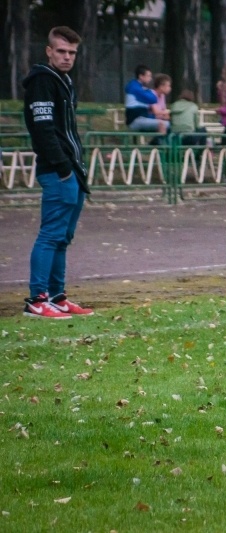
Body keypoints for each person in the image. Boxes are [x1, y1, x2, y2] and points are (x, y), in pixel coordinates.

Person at [21, 26, 93, 318]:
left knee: (63, 237)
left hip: (72, 170)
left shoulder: (63, 80)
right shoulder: (42, 82)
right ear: (49, 51)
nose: (67, 57)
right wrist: (63, 168)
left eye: (72, 52)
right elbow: (43, 129)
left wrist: (76, 168)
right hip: (58, 171)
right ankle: (37, 299)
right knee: (51, 235)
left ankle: (57, 296)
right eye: (61, 51)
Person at [124, 64, 169, 135]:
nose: (150, 78)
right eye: (148, 76)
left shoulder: (140, 87)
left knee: (165, 124)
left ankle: (156, 144)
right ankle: (159, 144)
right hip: (135, 121)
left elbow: (151, 97)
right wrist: (147, 91)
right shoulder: (134, 87)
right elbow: (153, 98)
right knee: (165, 124)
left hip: (142, 118)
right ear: (141, 76)